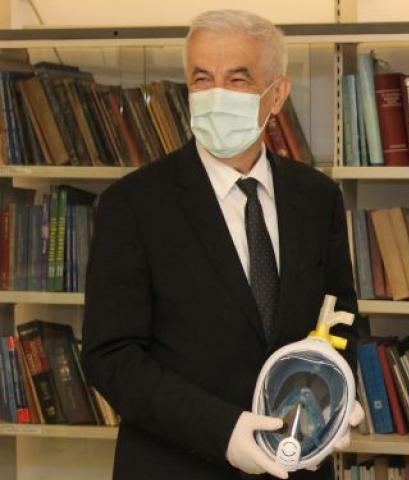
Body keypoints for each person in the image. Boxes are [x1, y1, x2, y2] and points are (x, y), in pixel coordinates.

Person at [83, 10, 363, 480]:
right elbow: (111, 357)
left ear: (278, 94)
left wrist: (334, 396)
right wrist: (225, 433)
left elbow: (342, 317)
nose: (216, 95)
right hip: (176, 466)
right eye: (202, 79)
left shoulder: (317, 198)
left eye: (237, 79)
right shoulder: (132, 204)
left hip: (297, 463)